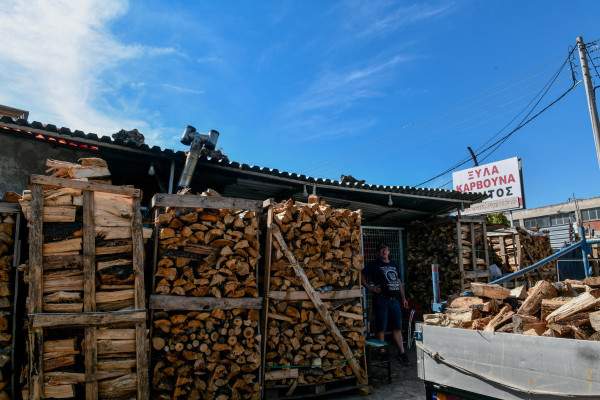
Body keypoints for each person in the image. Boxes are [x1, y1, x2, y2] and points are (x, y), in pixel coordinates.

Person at [361, 242, 411, 365]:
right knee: (381, 327)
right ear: (378, 252)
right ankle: (381, 352)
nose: (384, 252)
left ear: (389, 251)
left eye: (386, 250)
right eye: (382, 250)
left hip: (394, 300)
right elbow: (361, 275)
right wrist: (370, 288)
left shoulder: (393, 264)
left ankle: (402, 352)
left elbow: (398, 281)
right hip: (381, 299)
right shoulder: (373, 265)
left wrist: (403, 298)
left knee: (397, 327)